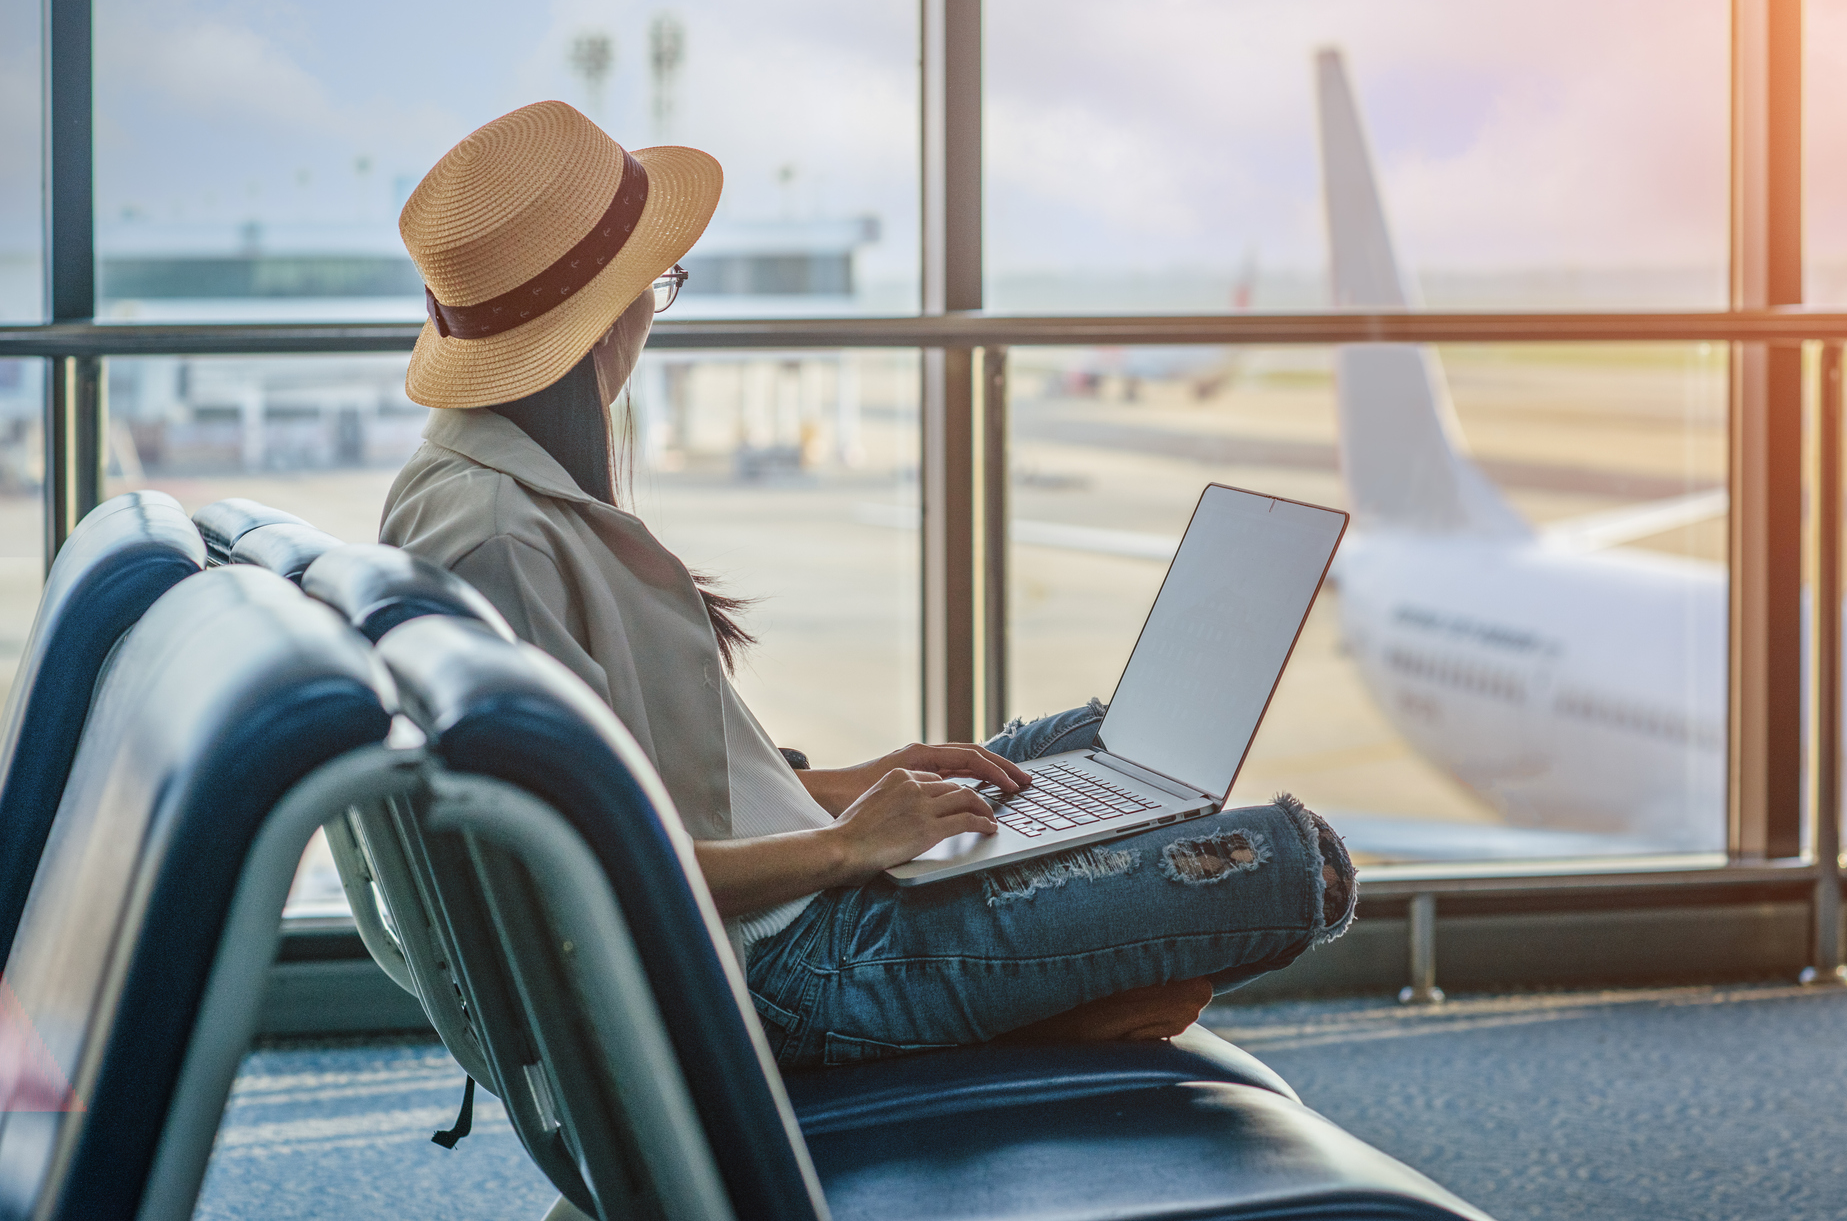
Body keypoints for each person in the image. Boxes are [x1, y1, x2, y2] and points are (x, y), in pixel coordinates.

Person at [381, 101, 1357, 1067]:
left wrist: (857, 783)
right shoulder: (499, 543)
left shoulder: (485, 488)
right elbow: (586, 868)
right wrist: (848, 846)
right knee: (1295, 859)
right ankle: (1028, 1012)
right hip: (798, 962)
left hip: (790, 888)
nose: (652, 308)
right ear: (603, 314)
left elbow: (656, 791)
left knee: (1102, 742)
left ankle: (1045, 970)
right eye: (654, 281)